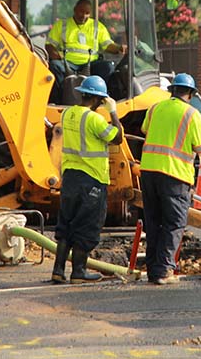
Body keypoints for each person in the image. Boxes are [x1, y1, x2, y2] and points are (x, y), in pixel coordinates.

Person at [140, 73, 201, 285]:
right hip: (175, 175)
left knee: (153, 222)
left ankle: (154, 269)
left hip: (149, 172)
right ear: (190, 93)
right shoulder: (192, 114)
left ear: (172, 91)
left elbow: (145, 130)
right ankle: (164, 270)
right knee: (174, 223)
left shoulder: (155, 108)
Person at [52, 75, 123, 284]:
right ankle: (78, 272)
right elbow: (117, 137)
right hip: (91, 179)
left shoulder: (67, 114)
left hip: (70, 177)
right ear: (98, 99)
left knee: (66, 224)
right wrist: (113, 111)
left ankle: (58, 270)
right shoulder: (94, 119)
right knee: (86, 226)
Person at [45, 0, 125, 102]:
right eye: (81, 11)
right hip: (67, 63)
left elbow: (108, 45)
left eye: (87, 13)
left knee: (108, 67)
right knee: (55, 66)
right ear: (75, 10)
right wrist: (56, 55)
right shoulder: (62, 25)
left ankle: (99, 98)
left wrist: (119, 48)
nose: (83, 15)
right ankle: (59, 99)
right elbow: (49, 45)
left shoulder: (97, 26)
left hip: (91, 64)